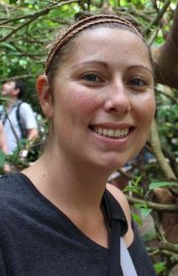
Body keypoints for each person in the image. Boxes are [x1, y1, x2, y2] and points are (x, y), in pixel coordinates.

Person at [0, 14, 157, 275]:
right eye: (93, 77)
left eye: (137, 81)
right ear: (47, 96)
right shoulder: (7, 221)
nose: (120, 100)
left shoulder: (117, 207)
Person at [0, 78, 39, 153]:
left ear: (16, 91)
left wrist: (24, 152)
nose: (4, 85)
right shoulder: (1, 109)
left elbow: (34, 132)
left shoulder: (23, 107)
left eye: (8, 84)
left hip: (15, 159)